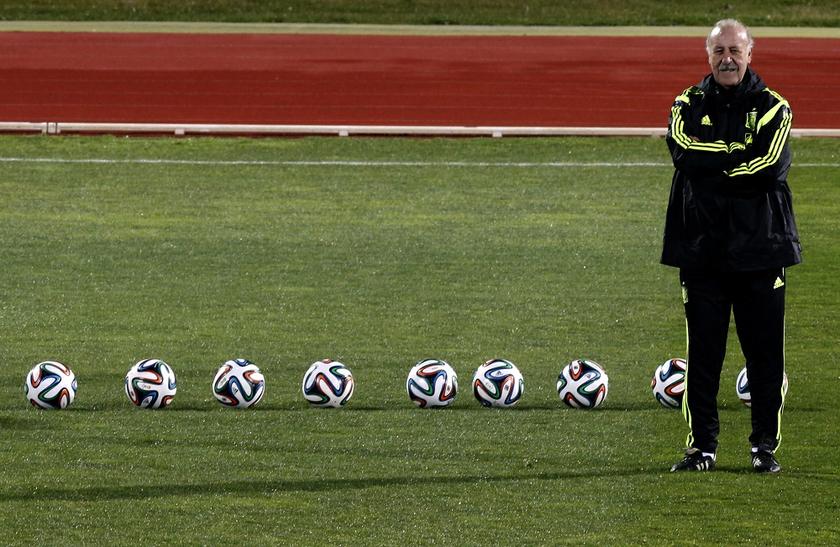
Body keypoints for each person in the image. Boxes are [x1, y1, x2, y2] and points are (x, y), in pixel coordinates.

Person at [661, 19, 802, 473]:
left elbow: (767, 167)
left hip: (761, 250)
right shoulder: (686, 103)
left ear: (749, 55)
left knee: (764, 355)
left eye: (735, 51)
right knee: (703, 355)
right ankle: (702, 447)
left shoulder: (774, 107)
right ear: (708, 55)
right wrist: (736, 152)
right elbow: (682, 150)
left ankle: (764, 447)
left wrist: (713, 166)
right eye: (719, 50)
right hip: (702, 250)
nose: (727, 58)